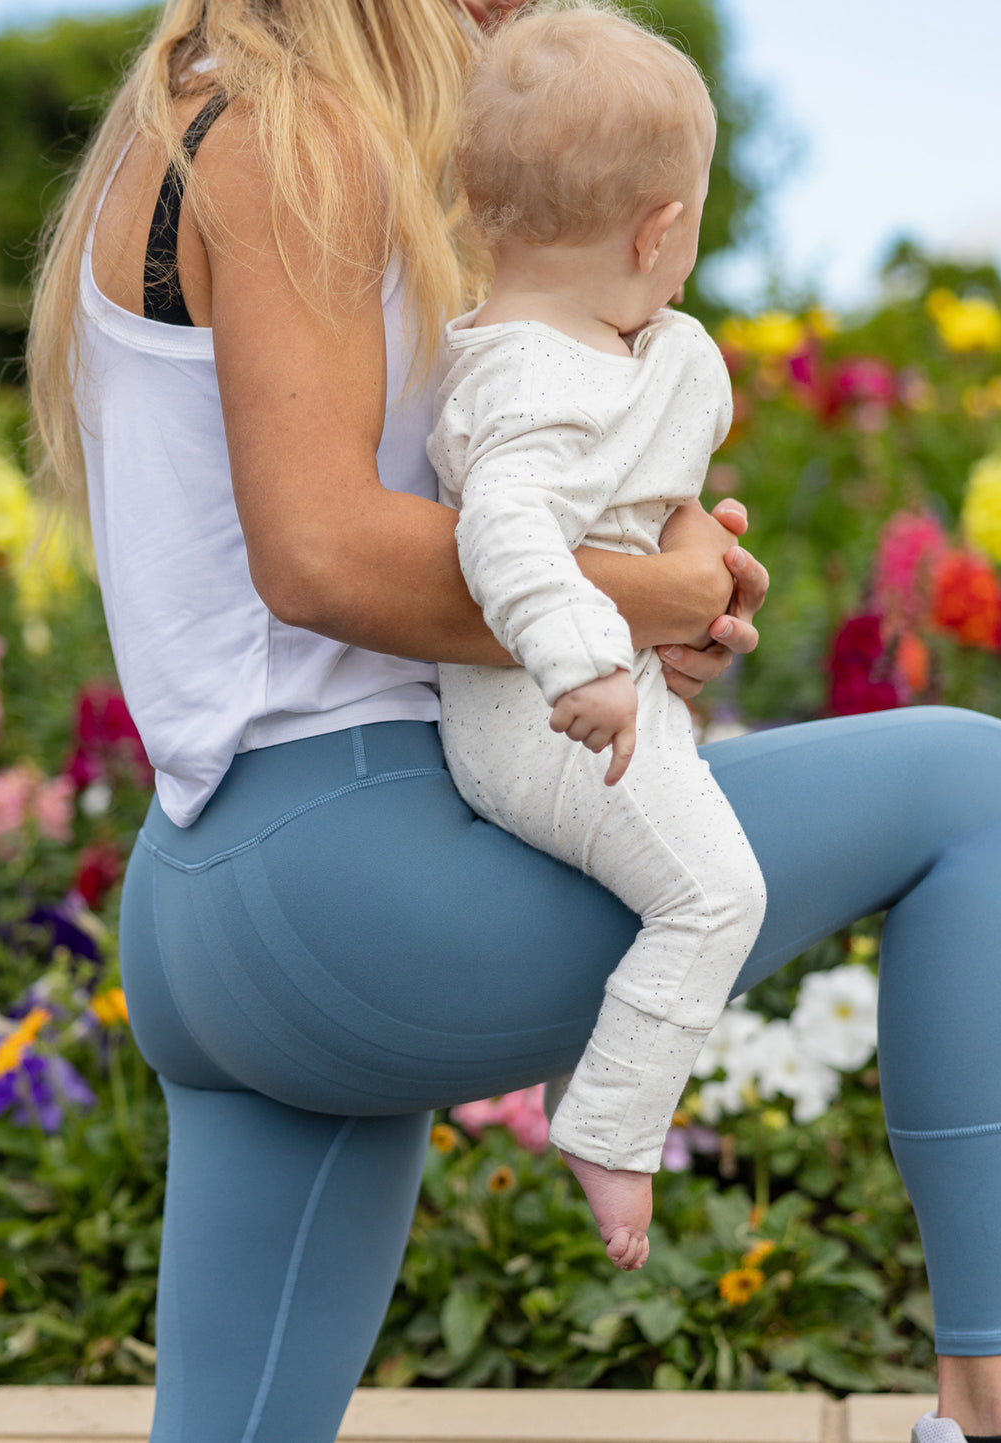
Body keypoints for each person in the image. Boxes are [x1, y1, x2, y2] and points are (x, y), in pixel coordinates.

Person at [23, 0, 1001, 1440]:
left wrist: (646, 589)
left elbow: (426, 503)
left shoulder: (193, 116)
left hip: (216, 894)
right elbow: (319, 552)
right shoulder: (300, 134)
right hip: (356, 873)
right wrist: (643, 595)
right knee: (977, 786)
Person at [430, 3, 765, 1272]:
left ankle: (604, 1105)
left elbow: (616, 510)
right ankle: (613, 1127)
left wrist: (696, 560)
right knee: (716, 893)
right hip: (541, 720)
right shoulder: (531, 379)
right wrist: (584, 667)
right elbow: (507, 531)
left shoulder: (595, 353)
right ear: (660, 230)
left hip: (597, 698)